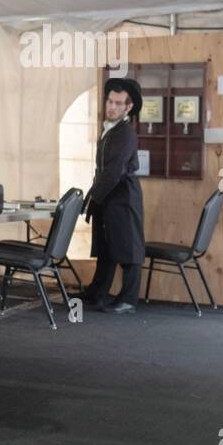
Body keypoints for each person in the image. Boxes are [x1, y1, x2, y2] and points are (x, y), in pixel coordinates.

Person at [82, 78, 145, 314]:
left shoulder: (125, 133)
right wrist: (94, 197)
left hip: (123, 196)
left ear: (128, 107)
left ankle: (128, 299)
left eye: (118, 103)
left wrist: (93, 197)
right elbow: (104, 170)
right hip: (109, 194)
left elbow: (115, 169)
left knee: (128, 248)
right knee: (106, 247)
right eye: (110, 101)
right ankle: (97, 292)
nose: (111, 106)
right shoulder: (110, 129)